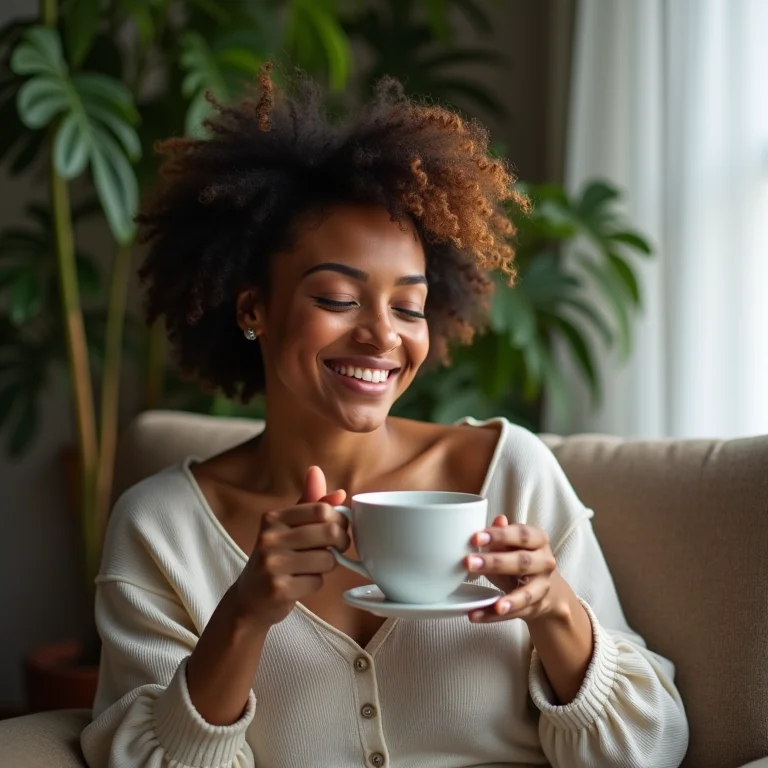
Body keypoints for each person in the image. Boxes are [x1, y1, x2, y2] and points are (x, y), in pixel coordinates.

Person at [80, 64, 688, 768]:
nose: (382, 335)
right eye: (338, 299)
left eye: (409, 305)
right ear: (254, 309)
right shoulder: (162, 529)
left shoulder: (507, 474)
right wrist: (243, 614)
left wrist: (554, 608)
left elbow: (652, 747)